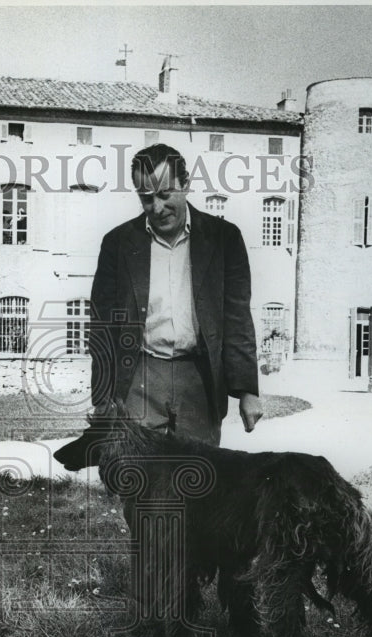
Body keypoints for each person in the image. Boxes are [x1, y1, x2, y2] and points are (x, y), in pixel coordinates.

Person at [89, 143, 263, 446]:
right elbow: (102, 326)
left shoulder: (224, 239)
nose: (157, 208)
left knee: (198, 470)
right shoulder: (117, 243)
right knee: (135, 470)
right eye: (146, 198)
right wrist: (103, 397)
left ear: (186, 184)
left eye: (165, 194)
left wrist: (248, 390)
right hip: (140, 377)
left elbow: (237, 318)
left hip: (199, 379)